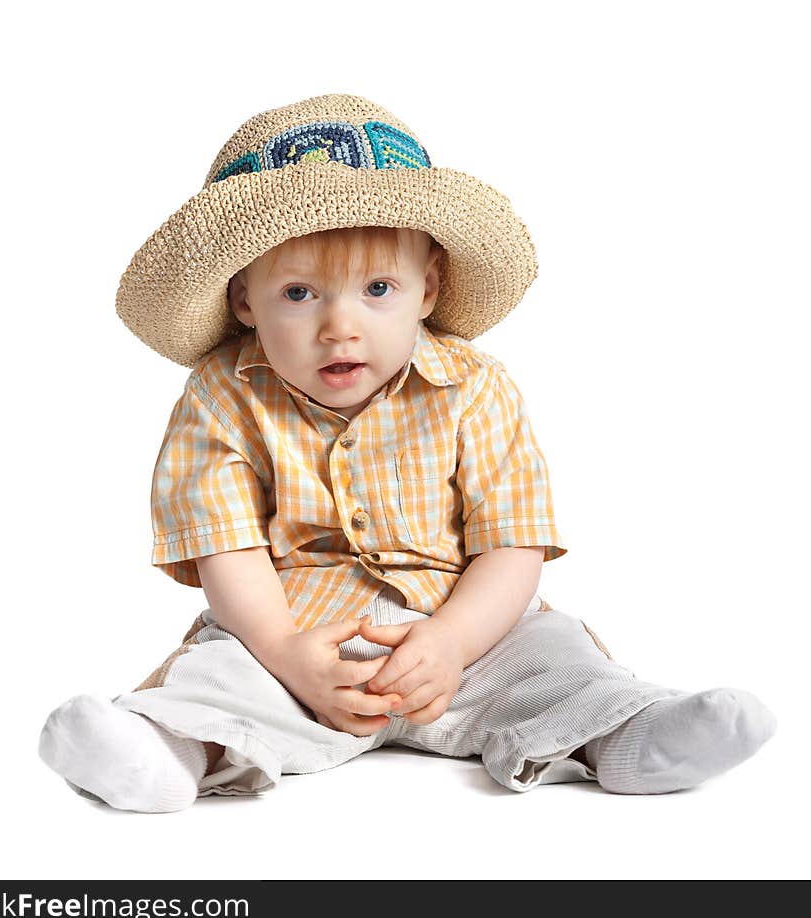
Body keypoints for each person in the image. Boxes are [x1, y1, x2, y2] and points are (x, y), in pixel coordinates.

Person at [38, 93, 777, 812]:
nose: (339, 326)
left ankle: (632, 734)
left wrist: (453, 641)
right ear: (243, 302)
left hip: (470, 630)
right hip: (294, 632)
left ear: (428, 288)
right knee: (219, 678)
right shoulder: (221, 394)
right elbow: (226, 550)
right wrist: (286, 650)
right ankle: (160, 754)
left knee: (556, 659)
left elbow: (511, 544)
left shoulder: (474, 387)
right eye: (298, 294)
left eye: (378, 288)